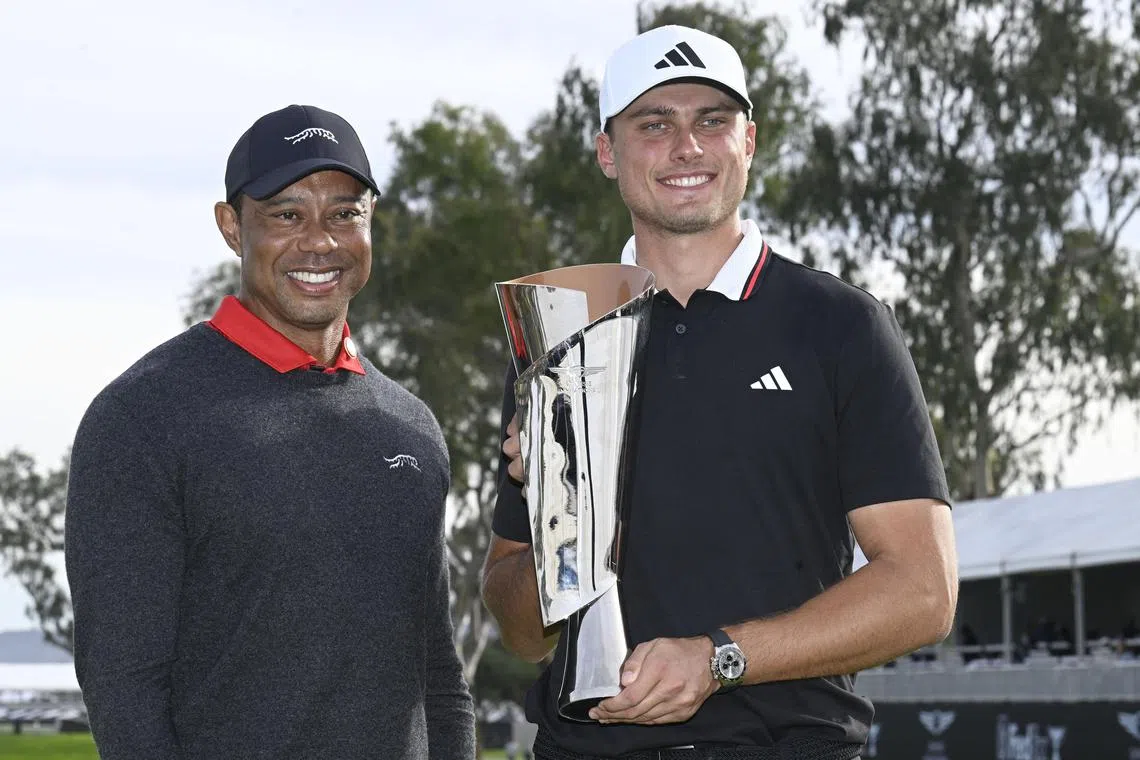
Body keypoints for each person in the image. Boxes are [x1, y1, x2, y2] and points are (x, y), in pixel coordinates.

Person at [481, 25, 957, 760]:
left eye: (712, 121)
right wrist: (559, 516)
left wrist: (719, 658)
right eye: (654, 124)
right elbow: (519, 628)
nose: (687, 147)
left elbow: (923, 590)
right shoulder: (559, 333)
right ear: (608, 151)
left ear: (749, 141)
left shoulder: (840, 325)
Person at [65, 104, 475, 759]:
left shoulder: (412, 428)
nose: (319, 241)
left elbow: (438, 676)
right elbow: (125, 692)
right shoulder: (141, 416)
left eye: (345, 213)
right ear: (233, 227)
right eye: (286, 214)